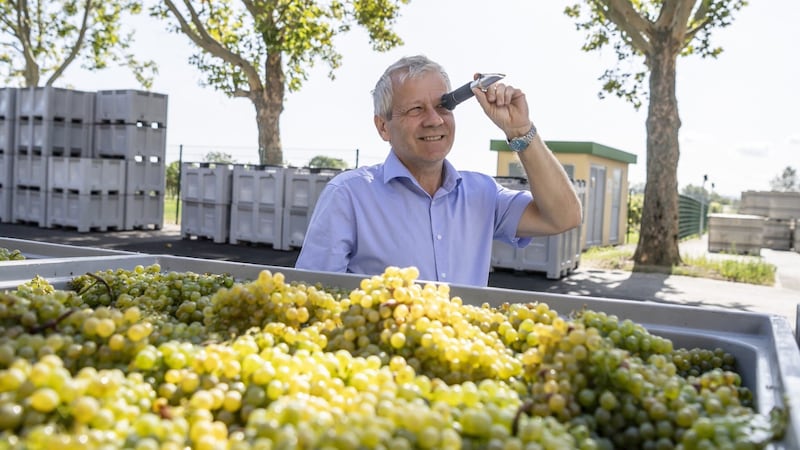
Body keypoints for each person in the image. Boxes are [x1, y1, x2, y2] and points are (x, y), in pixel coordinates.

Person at [295, 55, 582, 287]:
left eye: (443, 107)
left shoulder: (482, 194)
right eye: (416, 109)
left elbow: (564, 217)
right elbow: (312, 298)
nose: (434, 120)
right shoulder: (348, 195)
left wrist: (520, 130)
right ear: (383, 127)